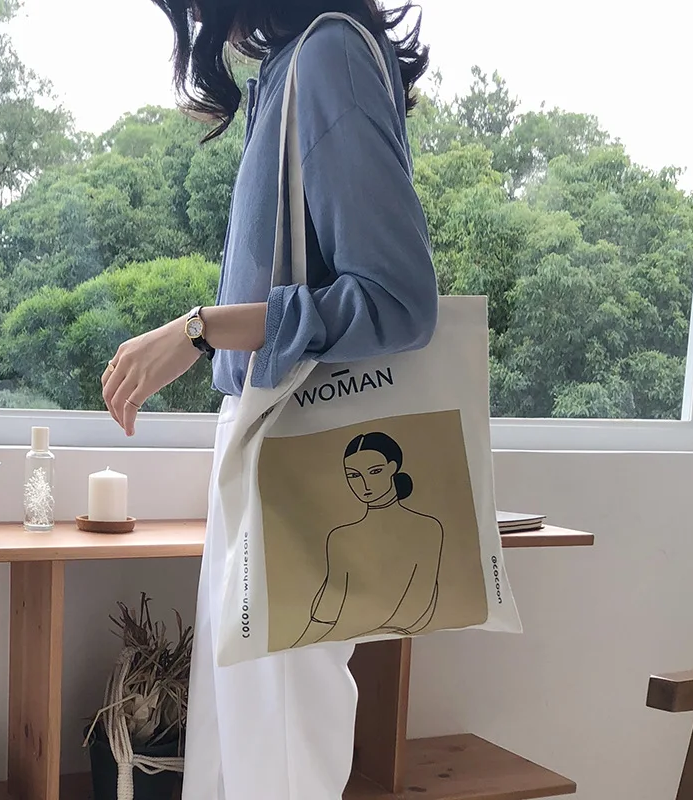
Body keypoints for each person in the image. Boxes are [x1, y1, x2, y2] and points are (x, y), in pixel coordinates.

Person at [101, 1, 437, 797]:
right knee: (251, 749)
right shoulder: (295, 67)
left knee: (275, 755)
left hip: (295, 450)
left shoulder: (327, 57)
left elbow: (400, 301)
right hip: (270, 445)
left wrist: (199, 329)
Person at [294, 432, 444, 647]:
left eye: (375, 471)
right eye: (353, 475)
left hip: (382, 633)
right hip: (336, 638)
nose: (364, 484)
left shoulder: (428, 529)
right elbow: (327, 609)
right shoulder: (340, 536)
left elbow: (419, 602)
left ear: (392, 468)